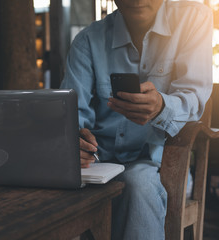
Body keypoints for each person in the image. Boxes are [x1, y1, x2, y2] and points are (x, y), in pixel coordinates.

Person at [60, 0, 213, 239]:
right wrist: (75, 142)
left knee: (137, 184)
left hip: (161, 163)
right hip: (99, 163)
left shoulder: (193, 18)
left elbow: (194, 98)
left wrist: (162, 107)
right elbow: (71, 116)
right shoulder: (88, 40)